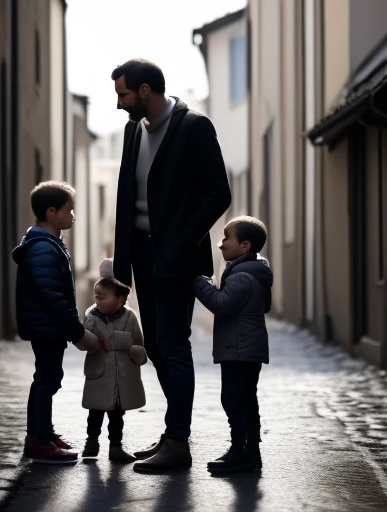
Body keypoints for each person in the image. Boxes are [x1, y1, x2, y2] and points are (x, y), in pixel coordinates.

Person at [111, 58, 232, 472]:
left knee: (173, 343)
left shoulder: (194, 127)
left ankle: (178, 444)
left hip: (177, 257)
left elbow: (219, 192)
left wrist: (183, 240)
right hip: (142, 254)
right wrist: (122, 260)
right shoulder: (133, 131)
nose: (120, 103)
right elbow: (128, 197)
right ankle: (173, 434)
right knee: (159, 346)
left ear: (146, 90)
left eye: (124, 94)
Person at [12, 180, 99, 464]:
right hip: (45, 327)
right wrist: (77, 333)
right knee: (46, 380)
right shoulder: (43, 249)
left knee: (47, 379)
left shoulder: (48, 245)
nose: (73, 215)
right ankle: (40, 441)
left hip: (47, 327)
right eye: (69, 210)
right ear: (52, 212)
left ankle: (42, 434)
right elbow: (51, 296)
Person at [193, 216, 273, 474]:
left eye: (227, 238)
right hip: (247, 348)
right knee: (247, 399)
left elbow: (221, 304)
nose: (220, 244)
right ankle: (252, 452)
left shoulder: (243, 277)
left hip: (239, 350)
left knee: (233, 399)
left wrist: (199, 282)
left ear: (245, 245)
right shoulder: (254, 272)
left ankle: (240, 450)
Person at [81, 258, 147, 463]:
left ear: (120, 299)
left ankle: (115, 446)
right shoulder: (91, 317)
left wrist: (134, 350)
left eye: (103, 297)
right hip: (99, 374)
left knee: (117, 415)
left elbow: (139, 344)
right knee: (95, 411)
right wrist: (89, 340)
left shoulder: (130, 318)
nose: (98, 301)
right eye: (96, 297)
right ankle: (91, 442)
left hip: (122, 378)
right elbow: (85, 342)